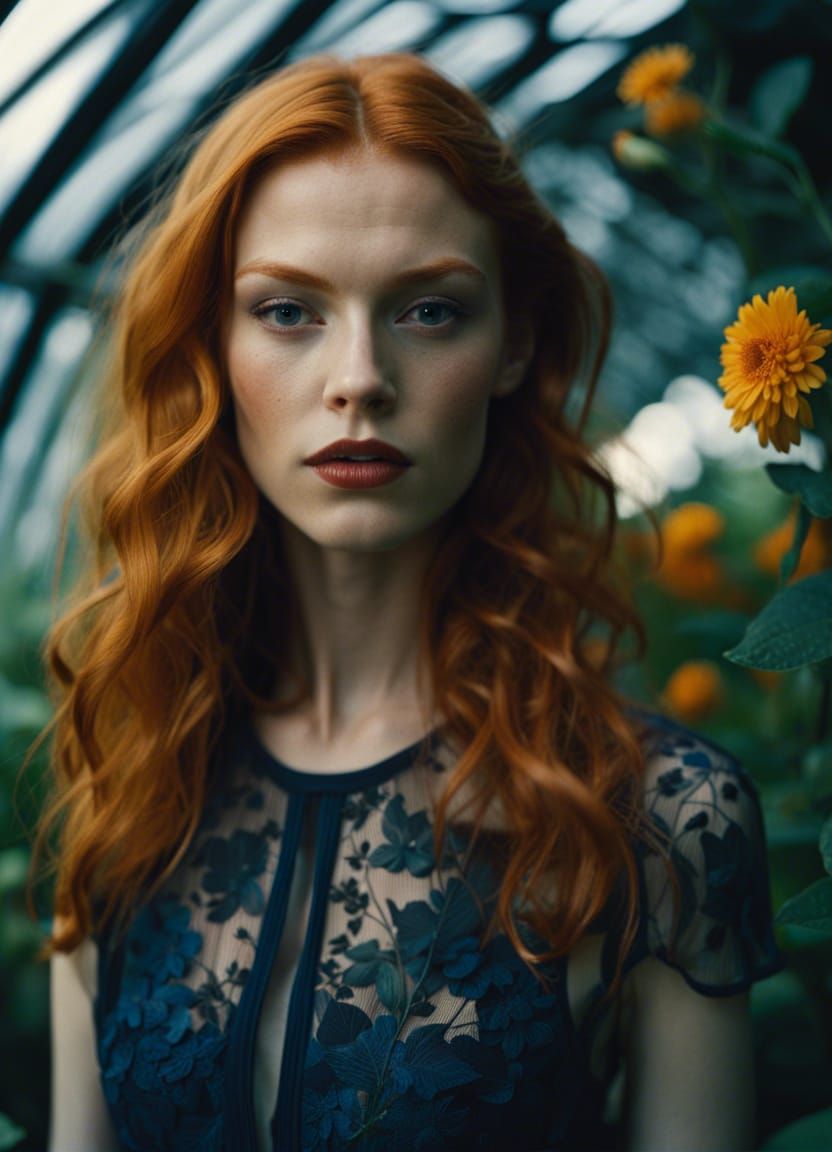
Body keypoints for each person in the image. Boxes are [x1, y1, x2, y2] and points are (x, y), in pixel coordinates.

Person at [40, 52, 783, 1152]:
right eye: (287, 311)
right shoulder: (130, 797)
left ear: (512, 345)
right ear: (214, 347)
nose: (358, 377)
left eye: (428, 310)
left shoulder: (662, 824)